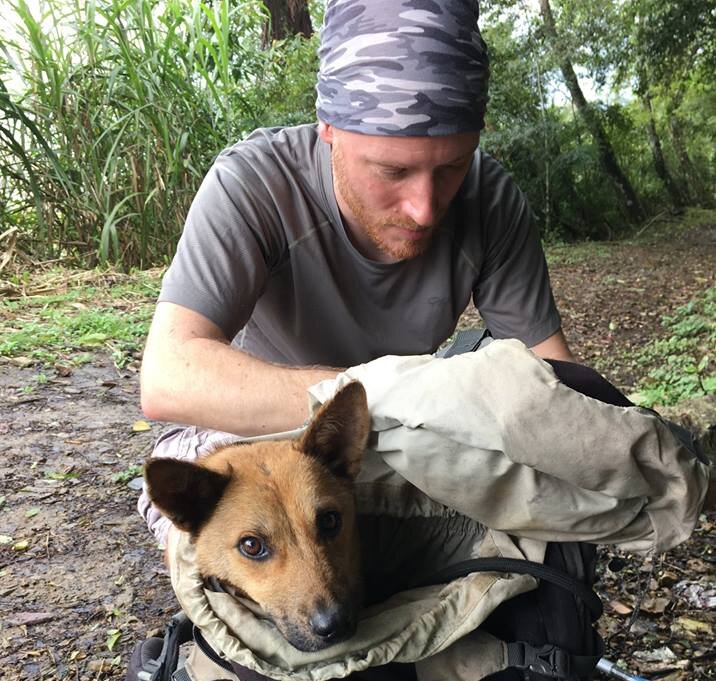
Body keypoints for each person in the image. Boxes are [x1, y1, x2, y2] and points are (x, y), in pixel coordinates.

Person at [139, 0, 575, 543]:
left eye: (452, 167)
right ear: (329, 130)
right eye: (393, 170)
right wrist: (391, 394)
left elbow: (552, 376)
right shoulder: (255, 185)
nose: (425, 207)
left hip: (407, 435)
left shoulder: (490, 199)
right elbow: (169, 376)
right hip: (266, 433)